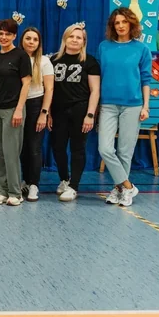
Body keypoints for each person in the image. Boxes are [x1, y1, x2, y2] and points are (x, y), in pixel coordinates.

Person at [97, 7, 151, 207]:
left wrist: (146, 106)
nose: (120, 26)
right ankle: (128, 186)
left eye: (124, 22)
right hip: (108, 105)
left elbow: (146, 79)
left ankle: (120, 190)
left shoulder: (141, 49)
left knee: (125, 152)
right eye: (117, 23)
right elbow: (99, 76)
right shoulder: (104, 47)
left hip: (133, 106)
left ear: (131, 24)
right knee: (105, 148)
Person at [49, 24, 100, 202]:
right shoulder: (53, 60)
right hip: (58, 111)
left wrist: (90, 115)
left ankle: (74, 186)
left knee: (77, 148)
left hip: (80, 110)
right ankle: (64, 179)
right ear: (65, 38)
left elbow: (95, 90)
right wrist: (48, 113)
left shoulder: (90, 62)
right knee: (58, 147)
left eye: (79, 37)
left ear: (84, 42)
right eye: (71, 36)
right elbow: (48, 89)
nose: (74, 40)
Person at [0, 19, 32, 206]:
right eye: (0, 33)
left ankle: (15, 192)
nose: (3, 37)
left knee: (11, 153)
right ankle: (1, 191)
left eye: (8, 34)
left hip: (13, 109)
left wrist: (19, 109)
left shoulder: (21, 56)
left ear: (14, 36)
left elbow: (26, 83)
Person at [18, 27, 54, 202]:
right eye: (28, 38)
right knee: (21, 147)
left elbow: (49, 89)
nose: (31, 42)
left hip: (36, 105)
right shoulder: (16, 58)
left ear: (39, 43)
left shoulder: (45, 61)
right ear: (22, 40)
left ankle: (34, 184)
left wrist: (44, 113)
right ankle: (25, 180)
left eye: (35, 39)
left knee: (34, 147)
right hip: (18, 105)